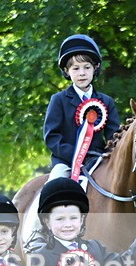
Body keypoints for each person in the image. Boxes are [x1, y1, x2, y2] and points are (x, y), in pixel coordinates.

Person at [44, 34, 121, 181]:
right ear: (67, 71)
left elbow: (114, 137)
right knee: (54, 186)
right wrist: (78, 154)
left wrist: (106, 155)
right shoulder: (59, 100)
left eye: (87, 67)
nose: (82, 73)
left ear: (95, 68)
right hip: (65, 163)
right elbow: (52, 137)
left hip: (99, 161)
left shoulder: (106, 101)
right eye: (76, 68)